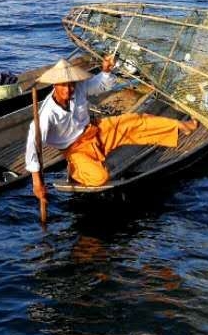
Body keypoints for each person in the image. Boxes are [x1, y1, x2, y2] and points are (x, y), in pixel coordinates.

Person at [26, 54, 197, 215]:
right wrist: (37, 182)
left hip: (95, 131)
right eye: (64, 85)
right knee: (100, 177)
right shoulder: (47, 113)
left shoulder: (79, 87)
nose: (69, 89)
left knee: (135, 121)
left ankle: (180, 125)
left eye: (71, 84)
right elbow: (33, 145)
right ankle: (76, 171)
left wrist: (106, 70)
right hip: (75, 149)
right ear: (55, 85)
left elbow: (100, 85)